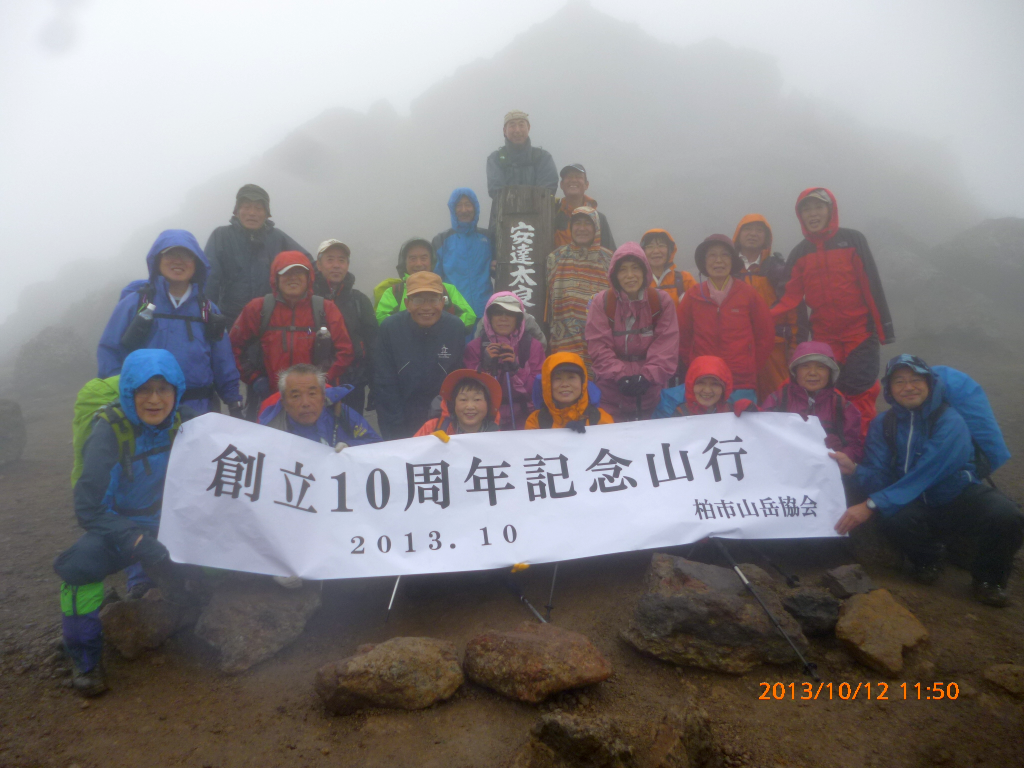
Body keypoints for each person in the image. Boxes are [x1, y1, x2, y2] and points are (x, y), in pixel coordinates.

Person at [53, 350, 196, 696]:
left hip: (169, 523)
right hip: (119, 529)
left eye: (163, 389)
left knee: (222, 555)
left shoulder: (185, 422)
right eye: (143, 390)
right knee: (78, 568)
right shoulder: (109, 433)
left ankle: (197, 612)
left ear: (177, 391)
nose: (154, 399)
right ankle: (84, 658)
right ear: (129, 393)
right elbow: (88, 509)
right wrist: (133, 539)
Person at [832, 355, 1024, 606]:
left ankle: (989, 581)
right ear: (889, 390)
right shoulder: (884, 423)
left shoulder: (950, 420)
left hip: (954, 495)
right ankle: (929, 558)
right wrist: (855, 469)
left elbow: (929, 470)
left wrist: (870, 504)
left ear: (930, 384)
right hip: (910, 500)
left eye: (915, 380)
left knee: (1006, 514)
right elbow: (879, 475)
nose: (908, 387)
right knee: (895, 519)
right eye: (899, 381)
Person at [770, 188, 895, 431]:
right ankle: (833, 448)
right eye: (806, 209)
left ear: (831, 210)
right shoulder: (800, 252)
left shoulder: (853, 239)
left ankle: (861, 455)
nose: (813, 214)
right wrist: (757, 319)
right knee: (826, 394)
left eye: (818, 207)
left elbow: (871, 285)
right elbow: (788, 298)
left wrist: (884, 330)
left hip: (860, 332)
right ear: (800, 216)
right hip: (825, 338)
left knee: (861, 391)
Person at [97, 230, 241, 415]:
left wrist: (233, 400)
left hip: (197, 411)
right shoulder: (135, 303)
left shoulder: (208, 310)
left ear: (196, 263)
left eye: (186, 255)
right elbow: (110, 351)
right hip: (146, 410)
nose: (178, 261)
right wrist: (119, 394)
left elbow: (223, 360)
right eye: (171, 254)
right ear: (158, 259)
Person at [229, 251, 354, 414]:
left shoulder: (325, 309)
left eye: (299, 272)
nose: (293, 277)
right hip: (270, 399)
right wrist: (254, 379)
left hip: (315, 400)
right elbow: (232, 348)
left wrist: (322, 380)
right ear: (276, 278)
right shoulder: (258, 309)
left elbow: (345, 351)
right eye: (286, 273)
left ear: (309, 277)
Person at [585, 243, 679, 421]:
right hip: (611, 392)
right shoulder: (602, 303)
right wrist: (619, 376)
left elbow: (667, 346)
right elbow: (598, 346)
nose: (630, 276)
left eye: (636, 268)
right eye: (623, 270)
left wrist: (647, 377)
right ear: (614, 274)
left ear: (645, 272)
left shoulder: (660, 301)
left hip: (652, 391)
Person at [677, 235, 774, 403]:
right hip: (705, 382)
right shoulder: (693, 295)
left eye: (725, 255)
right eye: (712, 255)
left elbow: (765, 336)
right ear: (704, 262)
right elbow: (682, 338)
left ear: (733, 260)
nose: (719, 261)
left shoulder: (748, 294)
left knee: (741, 427)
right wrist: (695, 364)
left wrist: (749, 366)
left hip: (741, 381)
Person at [374, 272, 467, 439]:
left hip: (443, 421)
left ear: (443, 302)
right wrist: (395, 428)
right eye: (418, 300)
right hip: (400, 421)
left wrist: (449, 420)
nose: (426, 307)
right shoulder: (390, 328)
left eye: (433, 299)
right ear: (407, 303)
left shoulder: (455, 328)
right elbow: (383, 383)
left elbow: (458, 378)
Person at [204, 184, 311, 325]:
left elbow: (308, 264)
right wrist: (208, 315)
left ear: (267, 214)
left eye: (259, 208)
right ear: (237, 211)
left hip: (269, 321)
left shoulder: (277, 238)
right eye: (246, 207)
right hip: (229, 320)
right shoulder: (221, 236)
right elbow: (209, 279)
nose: (252, 213)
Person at [759, 341, 864, 460]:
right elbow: (761, 433)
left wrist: (842, 450)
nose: (813, 373)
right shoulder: (778, 400)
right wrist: (748, 413)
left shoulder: (843, 407)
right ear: (795, 372)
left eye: (821, 367)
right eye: (805, 366)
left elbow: (856, 448)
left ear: (830, 373)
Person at [732, 214, 797, 402]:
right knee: (739, 401)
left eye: (759, 230)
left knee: (779, 399)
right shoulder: (728, 268)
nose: (753, 234)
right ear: (738, 234)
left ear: (767, 237)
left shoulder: (779, 269)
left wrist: (795, 345)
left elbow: (793, 309)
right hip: (738, 348)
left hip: (775, 349)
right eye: (747, 229)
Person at [545, 207, 614, 373]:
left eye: (587, 224)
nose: (582, 228)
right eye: (577, 223)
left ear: (596, 227)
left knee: (599, 395)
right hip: (564, 345)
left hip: (602, 347)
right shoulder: (555, 258)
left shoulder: (610, 260)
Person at [312, 239, 377, 414]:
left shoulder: (359, 301)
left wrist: (374, 384)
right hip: (312, 385)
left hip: (352, 384)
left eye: (341, 260)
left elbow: (373, 344)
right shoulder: (307, 298)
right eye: (330, 259)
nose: (336, 265)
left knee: (350, 436)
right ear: (318, 264)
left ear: (347, 265)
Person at [464, 292, 546, 430]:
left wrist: (517, 371)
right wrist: (485, 367)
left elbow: (539, 389)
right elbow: (467, 390)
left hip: (525, 417)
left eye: (510, 313)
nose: (503, 318)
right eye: (497, 313)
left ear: (518, 319)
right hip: (484, 419)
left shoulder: (533, 346)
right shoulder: (474, 347)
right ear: (489, 317)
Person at [259, 363, 380, 448]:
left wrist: (350, 446)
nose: (305, 403)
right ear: (284, 403)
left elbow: (376, 445)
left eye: (312, 394)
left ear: (323, 397)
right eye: (296, 396)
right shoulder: (270, 428)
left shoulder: (340, 412)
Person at [374, 238, 476, 329]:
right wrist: (411, 332)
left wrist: (443, 330)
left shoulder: (447, 289)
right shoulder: (394, 292)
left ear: (432, 261)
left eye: (424, 258)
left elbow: (469, 315)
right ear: (404, 262)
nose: (418, 264)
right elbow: (382, 318)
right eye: (412, 259)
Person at [485, 110, 558, 228]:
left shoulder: (543, 157)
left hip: (538, 226)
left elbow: (547, 190)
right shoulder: (495, 159)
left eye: (521, 124)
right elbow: (496, 191)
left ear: (528, 128)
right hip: (503, 226)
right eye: (512, 125)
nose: (517, 130)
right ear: (504, 130)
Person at [433, 189, 493, 319]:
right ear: (453, 210)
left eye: (468, 204)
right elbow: (435, 279)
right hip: (454, 312)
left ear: (475, 207)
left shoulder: (488, 237)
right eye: (459, 205)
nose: (464, 210)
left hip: (485, 311)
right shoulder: (441, 240)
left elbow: (499, 269)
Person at [525, 352, 613, 431]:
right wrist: (564, 436)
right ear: (547, 384)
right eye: (557, 379)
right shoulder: (536, 421)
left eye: (571, 377)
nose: (564, 384)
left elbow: (611, 445)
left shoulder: (599, 418)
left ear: (583, 382)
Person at [414, 369, 502, 436]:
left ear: (488, 405)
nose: (470, 406)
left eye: (477, 399)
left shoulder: (497, 436)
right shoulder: (431, 428)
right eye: (463, 399)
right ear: (453, 404)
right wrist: (430, 443)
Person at [552, 164, 616, 252]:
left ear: (587, 185)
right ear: (561, 185)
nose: (573, 180)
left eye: (578, 177)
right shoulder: (552, 215)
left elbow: (611, 256)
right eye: (569, 177)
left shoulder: (599, 219)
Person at [653, 355, 733, 417]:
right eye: (700, 383)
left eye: (715, 384)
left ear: (724, 388)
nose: (707, 390)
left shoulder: (732, 410)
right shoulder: (674, 409)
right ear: (690, 385)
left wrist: (745, 412)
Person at [640, 229, 695, 305]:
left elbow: (700, 309)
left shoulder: (685, 279)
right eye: (650, 246)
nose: (656, 251)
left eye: (661, 246)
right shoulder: (638, 282)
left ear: (670, 250)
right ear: (643, 251)